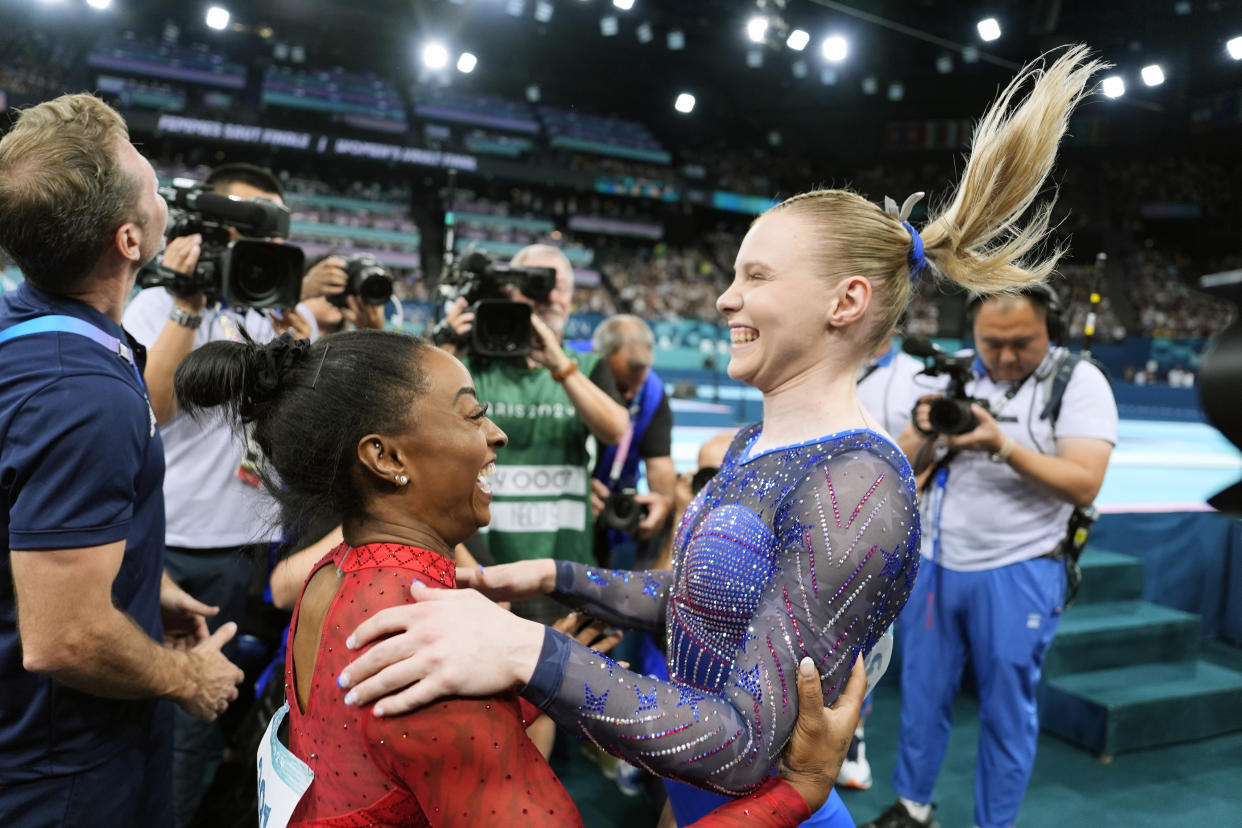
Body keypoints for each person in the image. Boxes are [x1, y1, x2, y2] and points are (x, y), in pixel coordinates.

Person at [333, 45, 1107, 827]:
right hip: (699, 806)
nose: (727, 299)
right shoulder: (749, 445)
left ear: (846, 300)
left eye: (758, 277)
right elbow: (704, 597)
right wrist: (547, 577)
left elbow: (742, 742)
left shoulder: (859, 484)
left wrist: (525, 653)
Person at [173, 329, 870, 827]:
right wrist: (798, 791)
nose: (497, 434)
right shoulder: (417, 638)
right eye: (473, 413)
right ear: (386, 458)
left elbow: (387, 766)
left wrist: (527, 697)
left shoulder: (340, 573)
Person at [0, 92, 243, 827]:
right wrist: (186, 680)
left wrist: (140, 576)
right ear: (129, 240)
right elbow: (65, 637)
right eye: (154, 184)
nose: (167, 192)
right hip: (64, 765)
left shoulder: (32, 324)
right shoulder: (82, 394)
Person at [867, 285, 1117, 828]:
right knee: (923, 693)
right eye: (991, 343)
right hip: (936, 561)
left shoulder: (1078, 382)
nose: (1004, 357)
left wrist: (999, 445)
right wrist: (923, 430)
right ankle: (913, 807)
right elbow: (902, 467)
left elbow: (1084, 483)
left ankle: (994, 824)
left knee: (1007, 710)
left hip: (1022, 566)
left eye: (1021, 343)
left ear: (1052, 328)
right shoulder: (954, 376)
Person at [122, 161, 318, 827]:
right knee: (175, 720)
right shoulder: (156, 307)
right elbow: (149, 409)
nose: (252, 242)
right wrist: (187, 306)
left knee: (241, 723)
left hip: (267, 549)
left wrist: (300, 352)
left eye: (269, 227)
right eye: (241, 224)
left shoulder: (287, 321)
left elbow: (304, 437)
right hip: (177, 548)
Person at [436, 243, 629, 625]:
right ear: (509, 292)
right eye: (535, 284)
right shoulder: (469, 366)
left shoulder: (587, 366)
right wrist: (444, 346)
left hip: (567, 569)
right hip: (489, 567)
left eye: (558, 286)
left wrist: (558, 362)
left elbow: (615, 429)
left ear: (572, 300)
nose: (548, 296)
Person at [590, 314, 675, 567]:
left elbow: (659, 462)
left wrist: (664, 502)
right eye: (619, 386)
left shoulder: (652, 392)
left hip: (610, 508)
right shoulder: (570, 368)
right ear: (598, 358)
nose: (628, 396)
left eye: (634, 389)